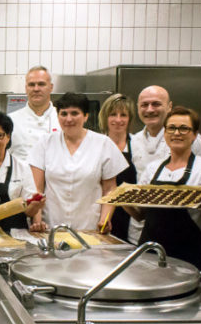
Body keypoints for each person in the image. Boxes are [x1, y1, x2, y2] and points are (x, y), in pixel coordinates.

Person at [124, 107, 201, 271]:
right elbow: (141, 215)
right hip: (150, 253)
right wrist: (124, 202)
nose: (177, 133)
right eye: (171, 128)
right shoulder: (153, 168)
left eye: (184, 128)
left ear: (195, 134)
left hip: (186, 254)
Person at [29, 93, 128, 232]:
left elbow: (110, 189)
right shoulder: (45, 143)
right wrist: (37, 221)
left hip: (89, 227)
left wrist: (104, 220)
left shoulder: (103, 143)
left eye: (75, 113)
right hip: (51, 226)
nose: (68, 119)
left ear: (86, 116)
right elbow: (37, 189)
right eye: (63, 114)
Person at [128, 85, 201, 243]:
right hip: (140, 231)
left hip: (181, 233)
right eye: (144, 105)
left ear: (169, 107)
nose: (150, 110)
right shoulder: (135, 140)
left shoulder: (193, 141)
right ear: (138, 108)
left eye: (156, 104)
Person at [97, 94, 137, 241]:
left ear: (130, 118)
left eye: (123, 115)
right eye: (113, 114)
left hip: (131, 216)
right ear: (105, 117)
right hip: (101, 213)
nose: (118, 120)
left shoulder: (138, 146)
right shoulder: (96, 145)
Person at [9, 66, 61, 162]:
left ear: (51, 87)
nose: (36, 89)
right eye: (31, 85)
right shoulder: (11, 120)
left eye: (41, 84)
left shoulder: (62, 119)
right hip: (20, 176)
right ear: (26, 88)